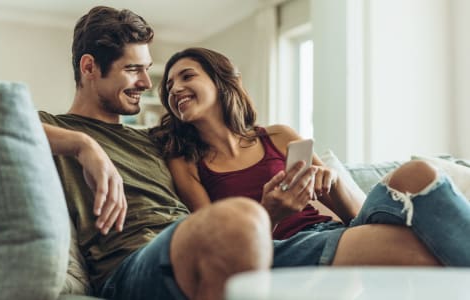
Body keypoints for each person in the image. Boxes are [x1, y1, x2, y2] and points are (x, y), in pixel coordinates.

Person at [41, 7, 469, 300]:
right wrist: (83, 145)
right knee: (238, 218)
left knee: (418, 214)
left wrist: (329, 186)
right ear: (89, 67)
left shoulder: (160, 140)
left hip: (237, 242)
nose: (150, 86)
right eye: (134, 70)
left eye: (152, 72)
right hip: (132, 263)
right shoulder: (60, 129)